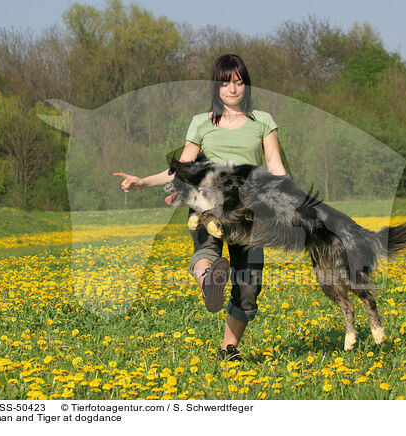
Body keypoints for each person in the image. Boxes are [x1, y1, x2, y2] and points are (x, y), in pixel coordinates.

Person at [114, 54, 287, 361]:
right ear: (215, 86)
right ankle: (210, 280)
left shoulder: (263, 121)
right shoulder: (201, 123)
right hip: (205, 205)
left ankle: (228, 349)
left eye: (239, 82)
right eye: (225, 82)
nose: (232, 89)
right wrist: (143, 182)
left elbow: (275, 165)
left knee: (249, 286)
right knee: (207, 254)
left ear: (246, 85)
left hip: (248, 212)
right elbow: (182, 169)